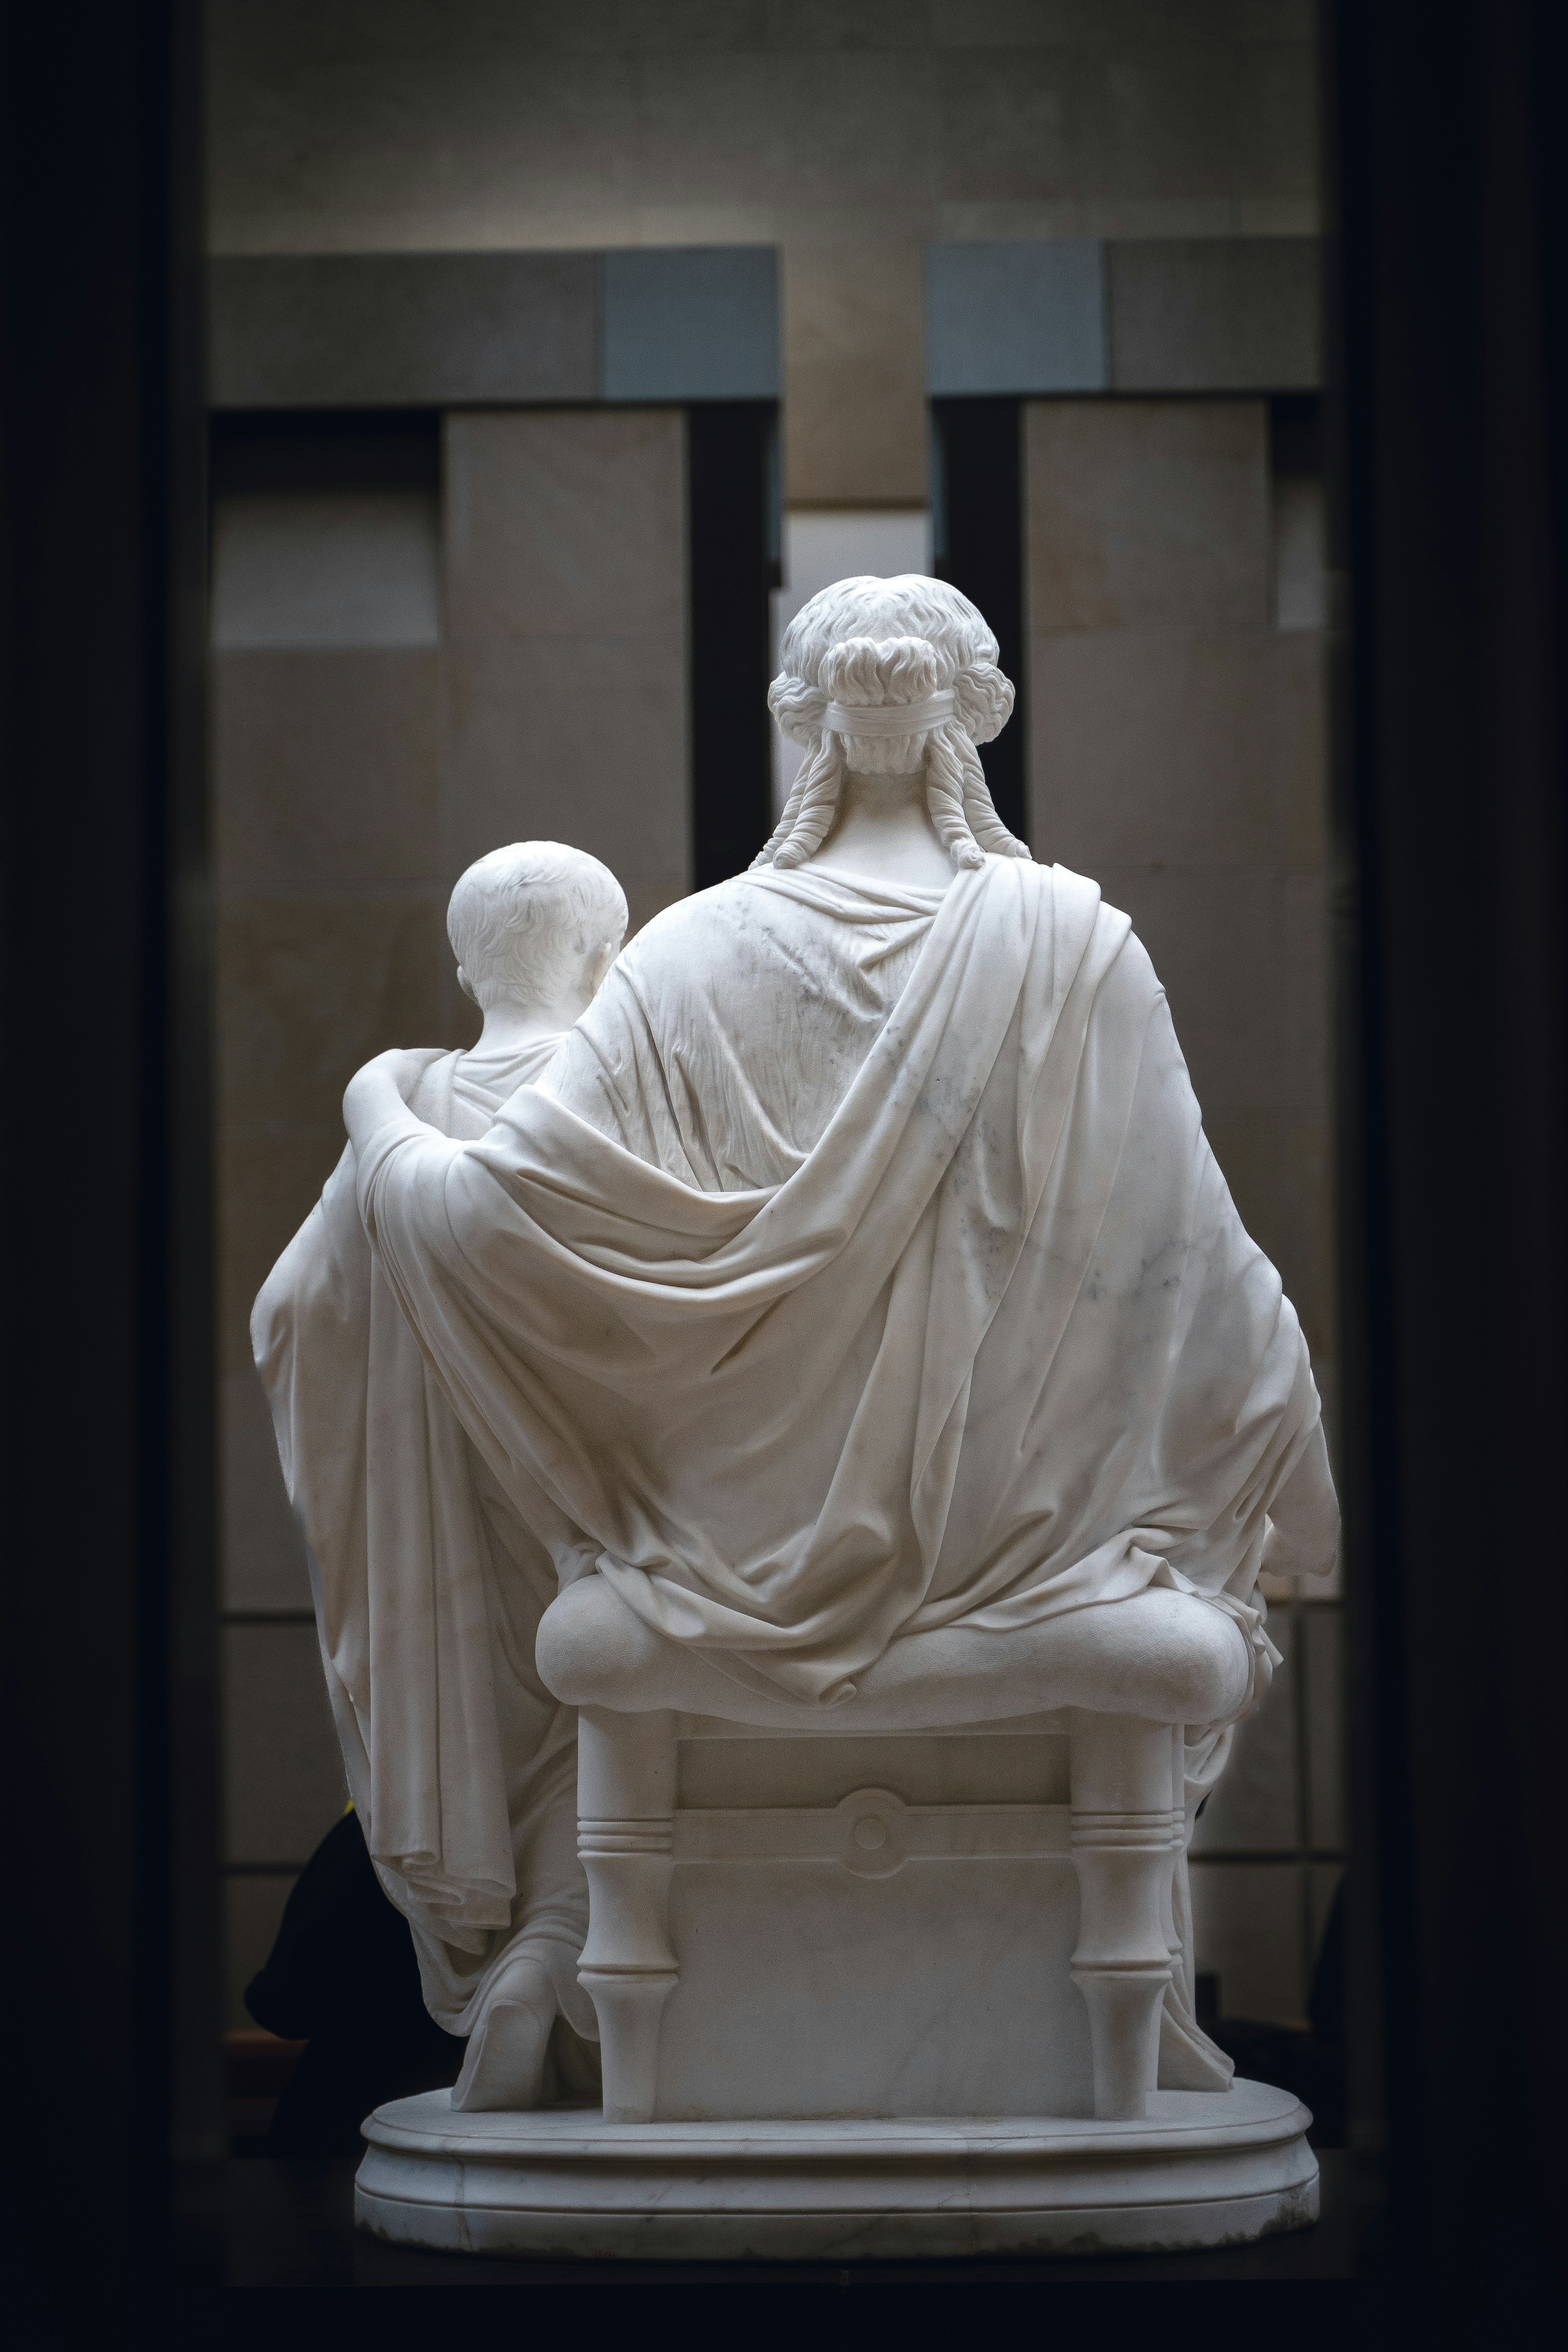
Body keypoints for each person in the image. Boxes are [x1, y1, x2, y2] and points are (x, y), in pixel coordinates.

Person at [341, 578, 1339, 2094]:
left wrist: (376, 1104)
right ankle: (1113, 2056)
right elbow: (1215, 1293)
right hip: (1035, 1555)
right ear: (969, 716)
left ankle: (618, 2020)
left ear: (806, 721)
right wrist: (1292, 1502)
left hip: (727, 1557)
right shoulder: (1079, 948)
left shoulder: (685, 958)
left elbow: (498, 1226)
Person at [253, 840, 626, 2111]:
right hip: (604, 1507)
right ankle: (549, 1981)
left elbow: (290, 1311)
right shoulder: (633, 1087)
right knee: (608, 1750)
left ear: (467, 963)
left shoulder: (402, 1115)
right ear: (605, 952)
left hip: (446, 1525)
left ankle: (524, 1980)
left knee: (519, 1758)